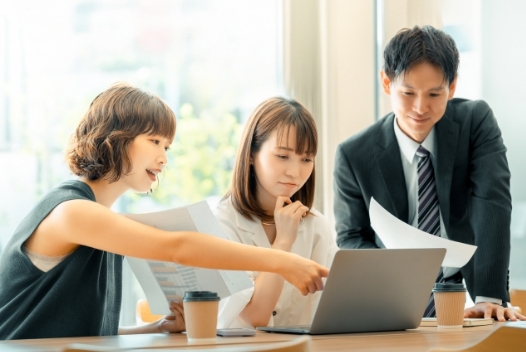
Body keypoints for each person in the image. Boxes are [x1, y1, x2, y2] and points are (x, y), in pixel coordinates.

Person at [0, 83, 328, 340]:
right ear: (116, 137)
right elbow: (176, 247)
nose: (164, 158)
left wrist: (155, 329)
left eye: (167, 146)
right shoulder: (71, 212)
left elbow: (86, 330)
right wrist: (282, 259)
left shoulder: (101, 224)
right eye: (155, 141)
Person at [333, 25, 525, 322]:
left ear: (452, 87)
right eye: (408, 93)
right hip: (393, 296)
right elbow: (351, 236)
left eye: (434, 94)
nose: (420, 108)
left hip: (465, 291)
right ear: (386, 83)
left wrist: (489, 297)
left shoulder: (475, 122)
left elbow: (493, 203)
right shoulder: (354, 154)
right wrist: (402, 279)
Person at [214, 97, 338, 328]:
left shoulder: (316, 226)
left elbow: (336, 307)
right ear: (251, 154)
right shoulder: (222, 222)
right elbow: (255, 318)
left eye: (306, 159)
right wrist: (283, 242)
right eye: (282, 156)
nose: (294, 172)